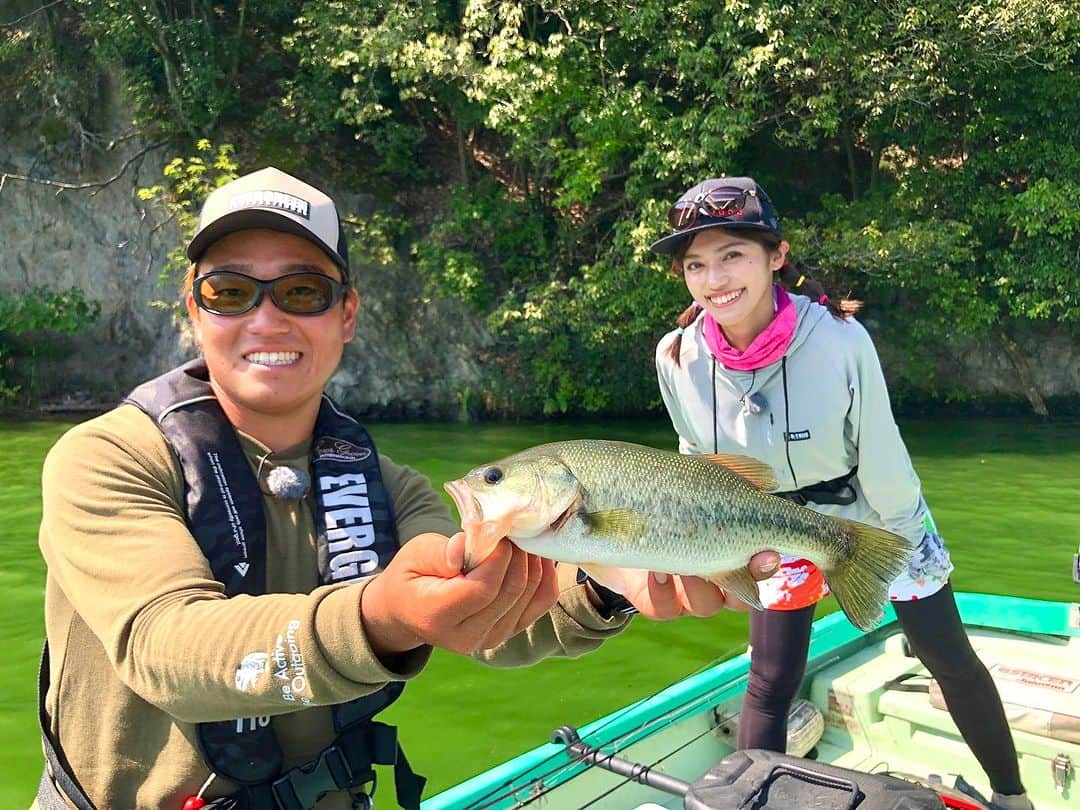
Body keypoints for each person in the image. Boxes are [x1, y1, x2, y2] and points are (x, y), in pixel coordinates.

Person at [35, 167, 780, 810]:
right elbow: (165, 647)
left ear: (346, 315)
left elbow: (493, 617)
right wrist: (379, 617)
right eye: (230, 291)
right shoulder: (107, 459)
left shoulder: (389, 487)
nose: (266, 316)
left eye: (302, 290)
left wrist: (608, 587)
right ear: (195, 311)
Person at [650, 176, 1033, 810]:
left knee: (946, 655)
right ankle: (747, 800)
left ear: (776, 256)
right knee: (770, 678)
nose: (715, 278)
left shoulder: (838, 338)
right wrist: (721, 553)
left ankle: (1012, 795)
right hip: (769, 524)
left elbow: (882, 450)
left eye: (732, 256)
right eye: (696, 265)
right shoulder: (676, 358)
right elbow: (700, 467)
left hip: (875, 511)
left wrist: (898, 543)